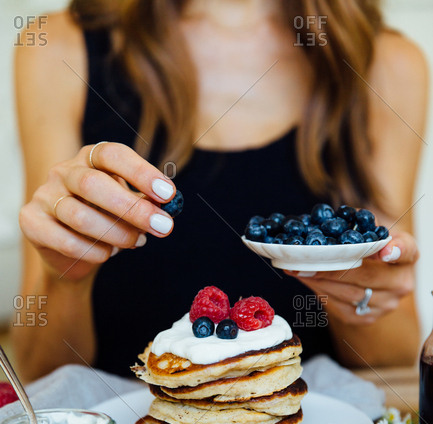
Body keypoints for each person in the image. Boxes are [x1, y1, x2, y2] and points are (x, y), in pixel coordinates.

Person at [13, 0, 428, 381]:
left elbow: (394, 362)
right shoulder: (57, 47)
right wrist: (66, 277)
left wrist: (359, 296)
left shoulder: (386, 65)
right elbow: (40, 372)